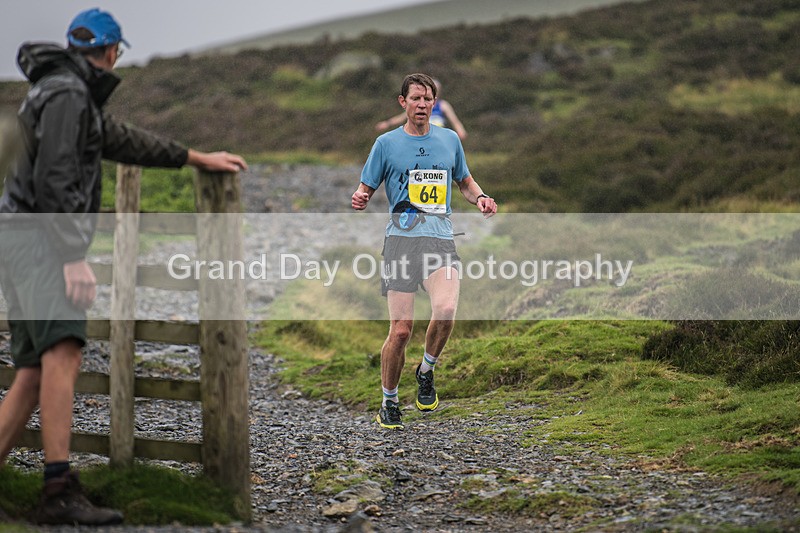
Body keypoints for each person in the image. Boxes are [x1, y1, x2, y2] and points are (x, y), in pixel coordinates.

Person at [0, 8, 247, 525]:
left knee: (31, 369)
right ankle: (57, 490)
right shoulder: (68, 95)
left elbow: (123, 140)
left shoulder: (63, 91)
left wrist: (194, 156)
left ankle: (49, 484)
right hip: (40, 242)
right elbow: (57, 176)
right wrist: (71, 256)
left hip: (21, 238)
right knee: (63, 350)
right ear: (111, 51)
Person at [352, 73, 496, 430]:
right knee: (401, 331)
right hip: (401, 242)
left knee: (446, 310)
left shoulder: (449, 139)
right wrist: (360, 196)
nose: (422, 105)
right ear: (403, 103)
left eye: (428, 99)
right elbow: (366, 186)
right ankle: (389, 401)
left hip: (439, 239)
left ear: (435, 103)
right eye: (415, 98)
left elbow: (463, 180)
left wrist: (479, 197)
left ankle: (426, 370)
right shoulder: (385, 144)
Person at [375, 79, 468, 140]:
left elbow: (455, 121)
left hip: (438, 137)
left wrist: (460, 131)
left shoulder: (443, 105)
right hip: (421, 136)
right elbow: (401, 118)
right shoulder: (417, 106)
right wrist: (386, 124)